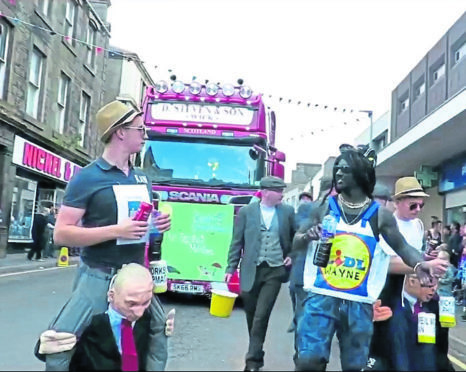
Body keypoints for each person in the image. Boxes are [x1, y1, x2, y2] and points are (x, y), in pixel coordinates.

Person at [35, 100, 172, 371]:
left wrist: (156, 224)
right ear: (120, 132)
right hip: (98, 274)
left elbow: (138, 225)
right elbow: (61, 234)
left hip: (135, 274)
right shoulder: (87, 178)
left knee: (159, 329)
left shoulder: (142, 178)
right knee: (61, 339)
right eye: (139, 129)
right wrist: (116, 231)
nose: (144, 135)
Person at [293, 146, 445, 371]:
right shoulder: (324, 208)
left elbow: (403, 247)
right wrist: (307, 236)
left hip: (359, 302)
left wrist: (421, 263)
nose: (339, 174)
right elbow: (295, 243)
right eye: (337, 169)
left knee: (355, 366)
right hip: (322, 297)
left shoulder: (380, 216)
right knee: (308, 361)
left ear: (360, 173)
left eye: (345, 169)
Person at [368, 176, 448, 370]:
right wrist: (423, 264)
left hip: (415, 295)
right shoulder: (385, 224)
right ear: (397, 202)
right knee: (394, 351)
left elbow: (415, 254)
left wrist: (428, 257)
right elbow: (385, 265)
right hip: (390, 294)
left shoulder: (418, 225)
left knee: (429, 345)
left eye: (421, 205)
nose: (418, 210)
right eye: (413, 205)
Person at [224, 175, 295, 372]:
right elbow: (236, 241)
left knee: (261, 316)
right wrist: (231, 268)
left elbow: (296, 237)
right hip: (250, 270)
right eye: (278, 190)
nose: (282, 194)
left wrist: (292, 255)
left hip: (274, 270)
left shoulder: (287, 212)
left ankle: (252, 362)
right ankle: (257, 351)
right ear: (265, 192)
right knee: (252, 316)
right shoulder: (247, 212)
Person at [69, 263, 175, 371]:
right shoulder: (88, 324)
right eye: (131, 304)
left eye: (145, 302)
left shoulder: (150, 321)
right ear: (111, 296)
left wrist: (162, 331)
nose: (139, 313)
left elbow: (155, 355)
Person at [384, 273, 453, 371]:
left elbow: (440, 348)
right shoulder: (392, 308)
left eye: (436, 283)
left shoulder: (434, 306)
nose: (433, 289)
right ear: (412, 281)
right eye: (429, 285)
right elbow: (397, 351)